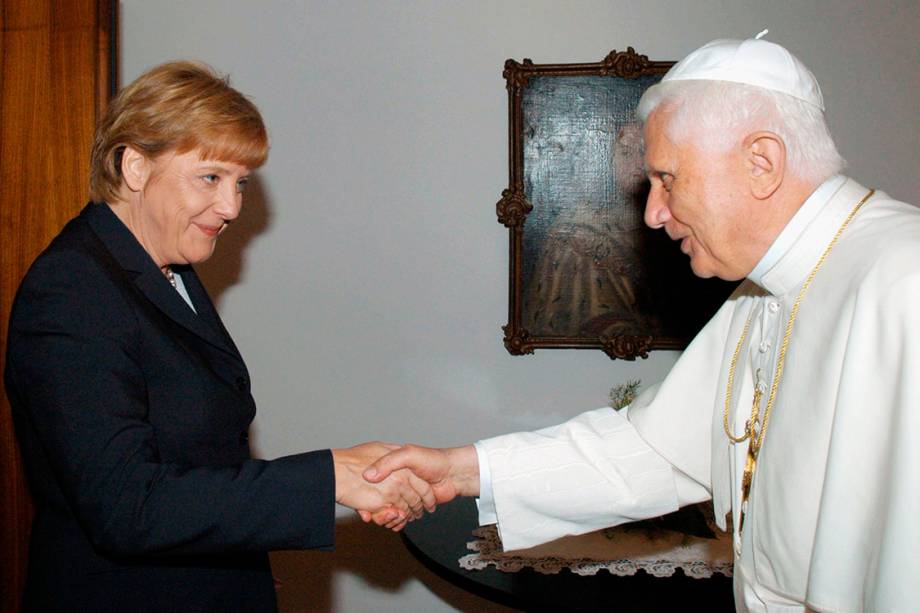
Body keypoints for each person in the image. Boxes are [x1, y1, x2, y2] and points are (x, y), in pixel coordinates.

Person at [365, 36, 920, 611]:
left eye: (668, 179)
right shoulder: (760, 293)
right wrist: (461, 469)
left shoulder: (906, 281)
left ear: (762, 162)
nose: (654, 213)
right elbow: (657, 452)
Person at [4, 61, 433, 612]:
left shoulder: (169, 267)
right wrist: (327, 478)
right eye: (210, 177)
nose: (231, 207)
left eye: (241, 183)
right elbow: (127, 507)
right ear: (135, 166)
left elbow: (197, 457)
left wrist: (347, 477)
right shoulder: (72, 290)